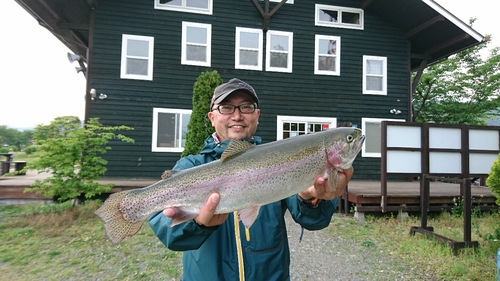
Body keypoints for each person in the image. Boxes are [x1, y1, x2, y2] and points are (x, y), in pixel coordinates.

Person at [149, 78, 354, 281]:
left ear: (257, 115)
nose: (237, 115)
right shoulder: (190, 166)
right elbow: (167, 231)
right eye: (226, 107)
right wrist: (198, 225)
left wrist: (312, 198)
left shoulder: (281, 159)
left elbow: (313, 220)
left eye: (246, 107)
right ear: (212, 117)